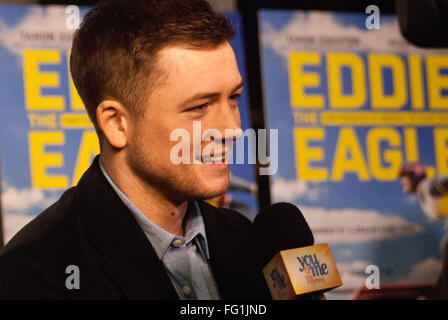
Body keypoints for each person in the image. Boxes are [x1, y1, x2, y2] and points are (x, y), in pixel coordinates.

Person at [0, 0, 270, 300]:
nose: (232, 129)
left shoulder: (245, 239)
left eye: (233, 97)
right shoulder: (35, 272)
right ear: (116, 123)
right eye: (198, 107)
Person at [399, 163, 448, 299]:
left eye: (405, 179)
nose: (403, 183)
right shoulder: (424, 194)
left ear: (415, 177)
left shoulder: (430, 187)